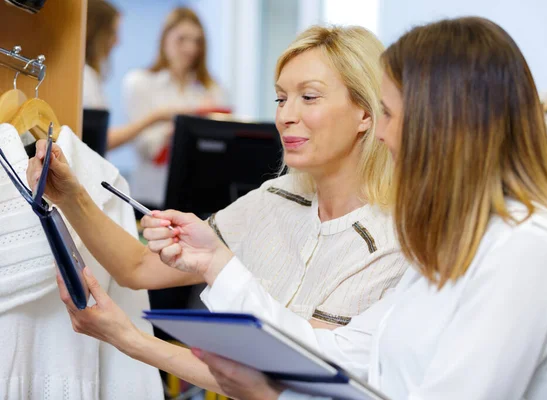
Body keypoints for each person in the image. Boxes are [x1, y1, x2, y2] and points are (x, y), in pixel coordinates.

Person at [53, 17, 547, 399]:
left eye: (387, 113)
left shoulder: (524, 252)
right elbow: (347, 357)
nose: (381, 133)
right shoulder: (458, 243)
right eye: (280, 98)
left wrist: (271, 396)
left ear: (445, 123)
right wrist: (215, 266)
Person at [27, 24, 407, 389]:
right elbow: (139, 267)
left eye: (308, 97)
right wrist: (72, 197)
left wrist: (125, 336)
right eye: (280, 98)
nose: (285, 115)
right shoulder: (272, 200)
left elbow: (288, 379)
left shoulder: (390, 241)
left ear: (366, 113)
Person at [124, 7, 228, 208]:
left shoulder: (213, 90)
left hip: (198, 195)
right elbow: (147, 149)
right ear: (165, 40)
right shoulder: (140, 82)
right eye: (181, 39)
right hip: (152, 195)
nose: (190, 49)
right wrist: (178, 131)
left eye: (197, 41)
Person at [83, 0, 197, 150]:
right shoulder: (85, 79)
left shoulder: (208, 87)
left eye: (196, 41)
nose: (190, 49)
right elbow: (97, 140)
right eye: (113, 32)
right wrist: (156, 117)